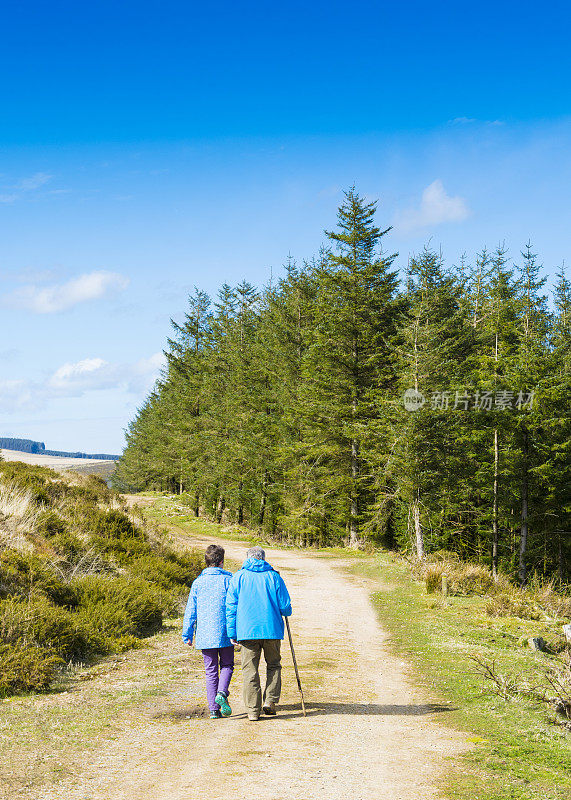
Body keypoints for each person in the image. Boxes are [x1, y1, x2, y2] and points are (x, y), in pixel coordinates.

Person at [226, 545, 292, 721]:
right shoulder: (274, 576)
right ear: (263, 558)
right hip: (271, 630)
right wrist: (285, 610)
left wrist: (231, 632)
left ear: (248, 558)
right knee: (274, 665)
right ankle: (270, 701)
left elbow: (230, 608)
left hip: (247, 631)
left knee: (250, 670)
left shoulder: (238, 577)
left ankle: (253, 711)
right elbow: (285, 607)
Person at [182, 544, 234, 719]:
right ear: (221, 562)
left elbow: (191, 610)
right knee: (226, 665)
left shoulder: (197, 583)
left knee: (210, 671)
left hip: (204, 634)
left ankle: (213, 709)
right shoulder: (229, 580)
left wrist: (187, 634)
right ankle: (222, 693)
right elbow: (234, 606)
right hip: (225, 632)